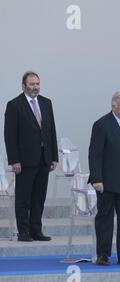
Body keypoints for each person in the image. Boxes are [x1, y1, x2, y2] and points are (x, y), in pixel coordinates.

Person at [4, 71, 58, 242]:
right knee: (23, 198)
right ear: (23, 86)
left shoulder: (46, 103)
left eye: (37, 84)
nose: (35, 87)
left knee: (39, 197)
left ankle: (36, 230)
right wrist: (14, 160)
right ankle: (24, 231)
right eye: (32, 84)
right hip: (24, 161)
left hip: (44, 158)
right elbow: (9, 135)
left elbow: (51, 131)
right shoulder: (14, 105)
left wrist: (54, 156)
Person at [88, 91, 120, 266]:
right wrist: (96, 178)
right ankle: (103, 254)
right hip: (107, 182)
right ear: (114, 106)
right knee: (105, 218)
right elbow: (95, 154)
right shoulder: (102, 124)